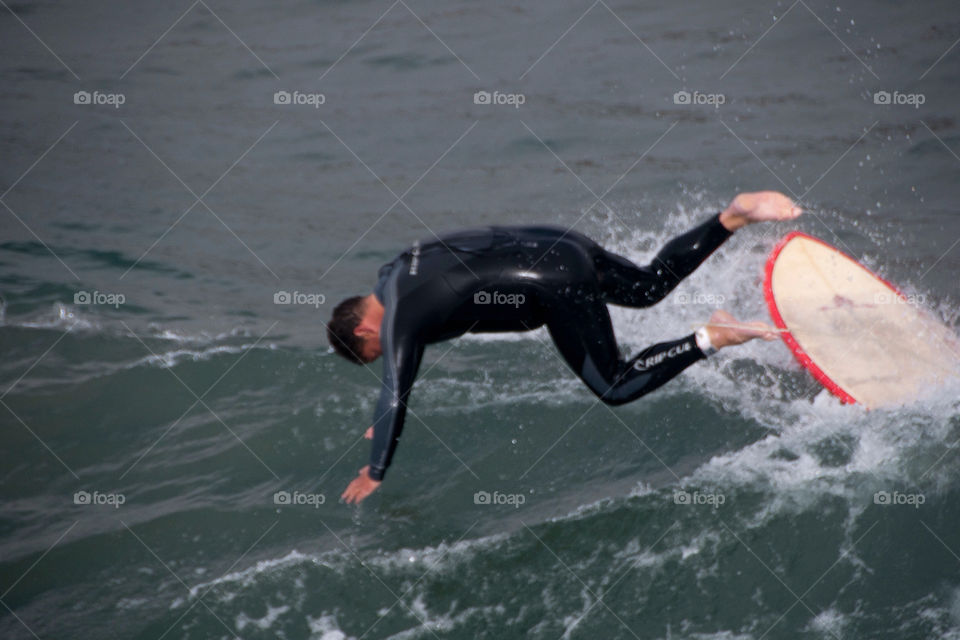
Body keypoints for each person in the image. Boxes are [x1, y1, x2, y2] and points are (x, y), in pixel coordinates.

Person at [329, 191, 801, 504]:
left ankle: (711, 337)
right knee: (647, 287)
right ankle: (734, 215)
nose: (385, 354)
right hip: (560, 244)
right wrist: (383, 419)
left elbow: (396, 390)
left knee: (615, 385)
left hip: (553, 282)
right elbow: (395, 388)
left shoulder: (400, 316)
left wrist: (375, 471)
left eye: (374, 354)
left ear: (365, 334)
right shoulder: (392, 271)